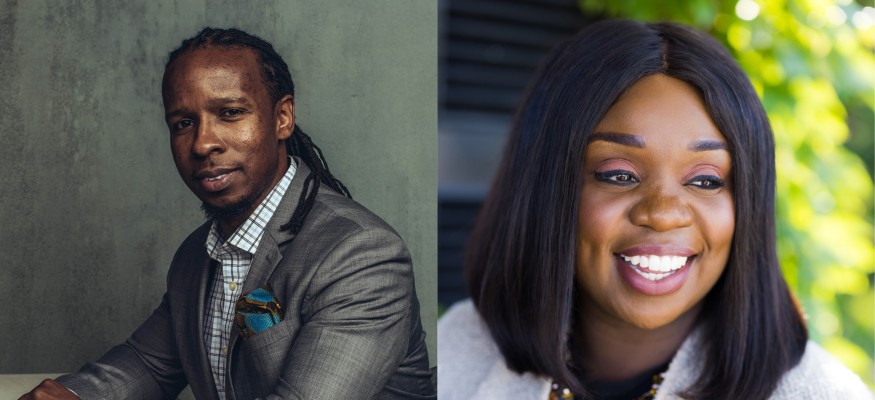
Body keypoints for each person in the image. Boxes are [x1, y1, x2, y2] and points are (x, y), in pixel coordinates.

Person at [437, 20, 872, 400]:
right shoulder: (452, 354)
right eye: (618, 174)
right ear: (544, 187)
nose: (663, 214)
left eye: (706, 180)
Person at [21, 27, 435, 400]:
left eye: (230, 113)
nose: (203, 144)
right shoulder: (198, 257)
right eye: (183, 123)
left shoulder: (360, 256)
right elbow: (148, 364)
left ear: (283, 118)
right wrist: (74, 396)